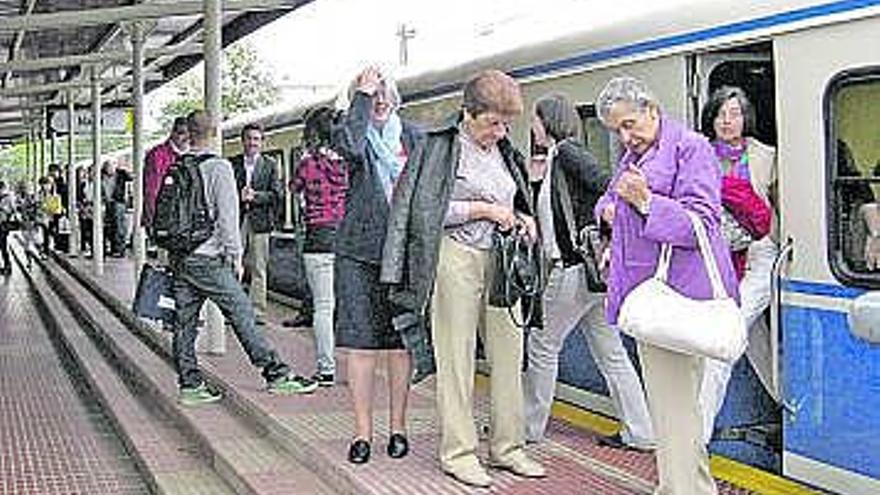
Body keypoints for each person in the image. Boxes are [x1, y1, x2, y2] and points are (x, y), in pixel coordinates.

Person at [382, 69, 545, 488]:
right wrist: (483, 210)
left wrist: (523, 219)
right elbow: (424, 214)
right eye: (493, 122)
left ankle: (508, 447)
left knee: (509, 355)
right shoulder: (438, 147)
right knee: (456, 359)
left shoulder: (503, 150)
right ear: (468, 114)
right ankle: (458, 452)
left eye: (506, 122)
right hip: (455, 258)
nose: (501, 130)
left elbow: (514, 197)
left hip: (503, 261)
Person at [594, 76, 738, 495]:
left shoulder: (690, 148)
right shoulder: (637, 155)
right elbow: (609, 198)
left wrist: (645, 203)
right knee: (674, 411)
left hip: (676, 296)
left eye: (630, 124)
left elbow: (703, 223)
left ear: (653, 110)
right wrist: (611, 209)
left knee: (674, 413)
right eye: (617, 130)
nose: (625, 136)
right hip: (649, 298)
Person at [522, 93, 654, 450]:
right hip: (594, 275)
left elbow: (606, 183)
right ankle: (641, 432)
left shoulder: (566, 152)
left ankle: (527, 428)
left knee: (542, 345)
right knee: (611, 352)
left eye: (534, 118)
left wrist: (610, 210)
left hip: (572, 270)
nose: (531, 126)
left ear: (547, 120)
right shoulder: (553, 158)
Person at [170, 109, 317, 406]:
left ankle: (190, 385)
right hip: (210, 258)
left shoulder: (180, 165)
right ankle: (276, 374)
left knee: (184, 324)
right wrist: (236, 257)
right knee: (243, 315)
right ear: (213, 132)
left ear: (189, 133)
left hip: (183, 256)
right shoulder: (219, 167)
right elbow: (228, 215)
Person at [332, 67, 420, 465]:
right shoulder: (351, 133)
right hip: (358, 253)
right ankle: (362, 433)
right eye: (372, 94)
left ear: (396, 97)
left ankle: (397, 428)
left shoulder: (413, 137)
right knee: (362, 345)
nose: (380, 99)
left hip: (402, 254)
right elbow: (349, 146)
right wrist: (361, 97)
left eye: (385, 92)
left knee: (400, 345)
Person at [698, 86, 778, 445]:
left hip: (759, 257)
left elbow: (779, 204)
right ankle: (782, 405)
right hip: (718, 259)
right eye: (720, 114)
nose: (727, 121)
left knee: (723, 340)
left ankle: (694, 441)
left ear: (747, 117)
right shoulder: (699, 155)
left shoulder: (766, 156)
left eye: (735, 113)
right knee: (748, 342)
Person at [292, 106, 349, 387]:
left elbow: (294, 189)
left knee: (323, 308)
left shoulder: (307, 163)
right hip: (347, 240)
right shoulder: (348, 163)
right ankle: (357, 368)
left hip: (317, 239)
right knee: (350, 307)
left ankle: (326, 369)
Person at [231, 123, 281, 325]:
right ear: (243, 141)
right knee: (233, 264)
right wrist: (238, 196)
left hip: (260, 222)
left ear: (262, 142)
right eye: (249, 138)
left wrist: (256, 196)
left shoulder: (270, 165)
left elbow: (277, 194)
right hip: (237, 220)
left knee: (259, 267)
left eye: (256, 139)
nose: (253, 143)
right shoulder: (232, 163)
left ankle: (257, 311)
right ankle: (233, 309)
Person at [144, 117, 190, 231]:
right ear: (172, 133)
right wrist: (153, 219)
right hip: (166, 217)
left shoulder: (195, 154)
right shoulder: (157, 155)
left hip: (188, 219)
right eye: (181, 133)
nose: (186, 138)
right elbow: (152, 189)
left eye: (189, 134)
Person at [0, 180, 16, 275]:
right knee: (2, 245)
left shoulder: (8, 198)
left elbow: (13, 209)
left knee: (3, 245)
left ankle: (8, 266)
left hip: (4, 224)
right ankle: (6, 265)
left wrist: (4, 209)